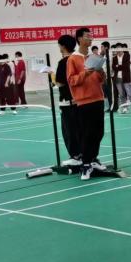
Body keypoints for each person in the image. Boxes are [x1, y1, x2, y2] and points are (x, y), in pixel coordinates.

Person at [68, 27, 108, 180]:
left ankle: (93, 159)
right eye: (87, 36)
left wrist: (101, 73)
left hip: (98, 98)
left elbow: (100, 79)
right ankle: (85, 164)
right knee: (87, 133)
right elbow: (72, 80)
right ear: (79, 38)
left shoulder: (93, 57)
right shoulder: (73, 59)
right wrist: (86, 73)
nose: (90, 38)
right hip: (84, 101)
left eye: (91, 36)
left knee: (99, 132)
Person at [55, 35, 82, 166]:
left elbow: (60, 83)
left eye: (59, 45)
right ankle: (83, 155)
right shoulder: (79, 59)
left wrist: (52, 77)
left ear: (63, 46)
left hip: (67, 101)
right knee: (80, 128)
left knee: (69, 130)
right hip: (80, 99)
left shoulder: (64, 62)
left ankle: (75, 156)